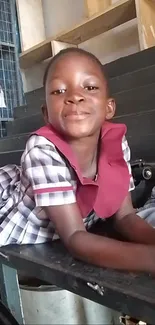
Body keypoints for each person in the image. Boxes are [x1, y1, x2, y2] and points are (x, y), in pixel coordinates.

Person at [0, 47, 155, 274]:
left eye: (90, 87)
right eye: (59, 91)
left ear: (109, 107)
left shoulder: (116, 143)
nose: (74, 96)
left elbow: (125, 217)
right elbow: (74, 237)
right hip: (23, 216)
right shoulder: (42, 149)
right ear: (46, 114)